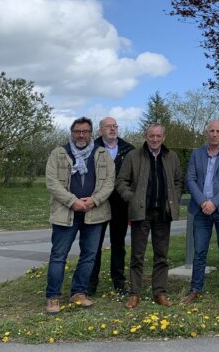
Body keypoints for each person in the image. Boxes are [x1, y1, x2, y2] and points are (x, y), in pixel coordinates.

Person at [44, 117, 115, 315]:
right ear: (72, 132)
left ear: (92, 133)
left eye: (85, 131)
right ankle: (53, 297)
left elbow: (110, 182)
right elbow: (52, 182)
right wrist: (72, 201)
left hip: (94, 213)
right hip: (65, 213)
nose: (81, 135)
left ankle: (79, 293)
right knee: (58, 256)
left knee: (89, 256)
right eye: (77, 131)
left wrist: (94, 200)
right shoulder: (58, 153)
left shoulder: (102, 154)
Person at [116, 124, 183, 309]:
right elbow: (121, 181)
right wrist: (132, 198)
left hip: (163, 213)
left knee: (161, 255)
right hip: (141, 213)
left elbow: (178, 181)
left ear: (164, 137)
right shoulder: (133, 156)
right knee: (137, 255)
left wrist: (174, 199)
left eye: (158, 136)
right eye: (151, 136)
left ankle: (159, 292)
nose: (155, 139)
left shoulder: (172, 156)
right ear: (146, 136)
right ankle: (134, 293)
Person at [181, 120, 219, 305]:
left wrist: (214, 203)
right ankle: (195, 289)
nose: (214, 134)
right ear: (206, 133)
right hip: (200, 210)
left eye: (218, 131)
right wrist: (203, 202)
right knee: (199, 252)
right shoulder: (196, 154)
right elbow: (190, 179)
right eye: (211, 131)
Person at [88, 117, 134, 295]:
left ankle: (119, 281)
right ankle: (91, 282)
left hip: (120, 204)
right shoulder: (92, 149)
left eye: (115, 126)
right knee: (94, 244)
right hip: (98, 203)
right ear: (100, 130)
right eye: (108, 126)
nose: (112, 129)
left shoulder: (128, 149)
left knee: (118, 244)